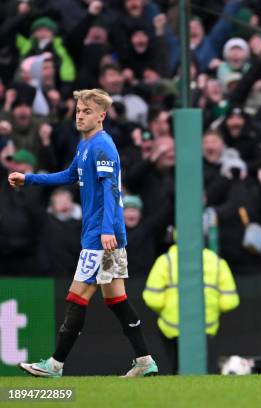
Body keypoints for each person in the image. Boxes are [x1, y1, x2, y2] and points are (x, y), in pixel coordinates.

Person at [10, 88, 158, 377]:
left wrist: (104, 231)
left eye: (87, 111)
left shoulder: (102, 145)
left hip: (101, 235)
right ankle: (144, 361)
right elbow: (68, 175)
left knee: (77, 297)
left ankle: (54, 365)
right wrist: (29, 179)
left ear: (101, 116)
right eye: (78, 110)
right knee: (116, 299)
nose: (80, 115)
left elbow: (111, 188)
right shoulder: (85, 145)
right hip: (107, 233)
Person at [143, 242, 239, 374]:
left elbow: (152, 299)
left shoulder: (166, 260)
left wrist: (168, 310)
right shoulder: (216, 261)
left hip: (171, 329)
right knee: (205, 371)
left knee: (177, 371)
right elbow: (230, 301)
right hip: (206, 327)